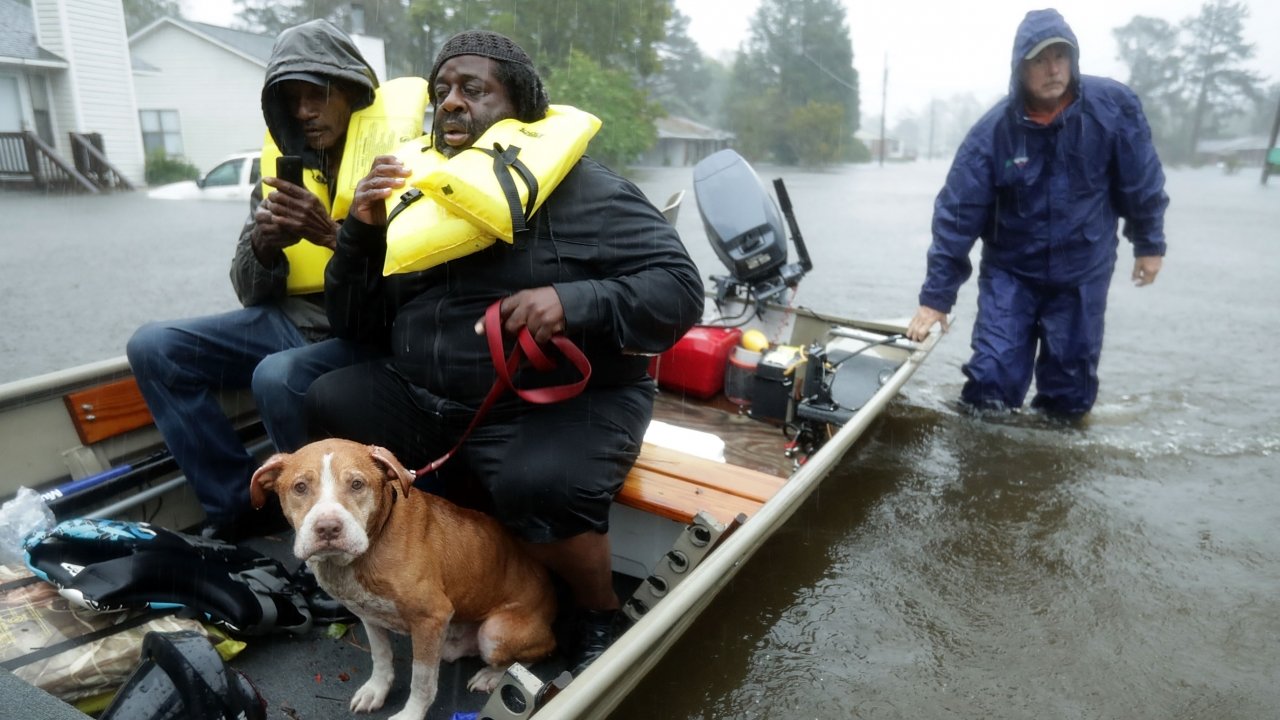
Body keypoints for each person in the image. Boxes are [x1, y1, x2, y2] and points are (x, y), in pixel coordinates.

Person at [303, 30, 705, 675]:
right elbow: (355, 325)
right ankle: (383, 568)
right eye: (442, 91)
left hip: (557, 401)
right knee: (327, 397)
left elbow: (681, 291)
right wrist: (359, 232)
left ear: (521, 105)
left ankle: (596, 610)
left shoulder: (588, 191)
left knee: (540, 484)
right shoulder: (420, 189)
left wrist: (575, 301)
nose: (451, 103)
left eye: (473, 89)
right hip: (434, 395)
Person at [127, 20, 394, 540]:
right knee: (154, 347)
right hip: (289, 321)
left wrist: (330, 233)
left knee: (277, 375)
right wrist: (264, 246)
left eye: (316, 94)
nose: (303, 111)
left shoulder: (394, 162)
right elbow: (249, 291)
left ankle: (325, 527)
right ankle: (237, 509)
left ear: (353, 91)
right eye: (290, 99)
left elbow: (409, 284)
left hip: (364, 333)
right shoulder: (284, 169)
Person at [904, 8, 1169, 419]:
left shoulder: (1113, 108)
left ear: (1073, 60)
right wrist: (936, 299)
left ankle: (1051, 462)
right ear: (1020, 68)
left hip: (1083, 270)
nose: (1053, 69)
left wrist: (1149, 243)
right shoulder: (992, 134)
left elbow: (1141, 180)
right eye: (1040, 60)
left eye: (1061, 57)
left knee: (1069, 396)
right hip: (1012, 272)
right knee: (989, 385)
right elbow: (957, 216)